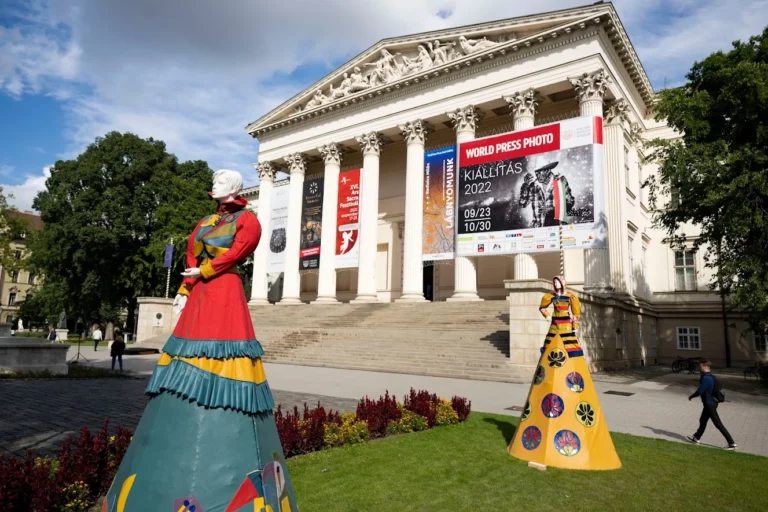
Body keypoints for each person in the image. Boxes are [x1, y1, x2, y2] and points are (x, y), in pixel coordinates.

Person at [102, 169, 298, 510]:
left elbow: (238, 253)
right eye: (215, 181)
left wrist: (205, 272)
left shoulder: (247, 220)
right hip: (200, 293)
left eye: (221, 181)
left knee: (225, 352)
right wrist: (185, 287)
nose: (215, 184)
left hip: (224, 292)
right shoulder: (206, 220)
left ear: (234, 188)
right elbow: (192, 253)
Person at [507, 276, 621, 470]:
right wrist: (546, 314)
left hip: (566, 327)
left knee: (570, 348)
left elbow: (576, 314)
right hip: (554, 327)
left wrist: (574, 326)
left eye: (559, 283)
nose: (557, 285)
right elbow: (543, 308)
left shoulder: (570, 297)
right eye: (555, 283)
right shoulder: (550, 297)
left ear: (564, 284)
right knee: (549, 349)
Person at [686, 360, 737, 450]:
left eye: (700, 367)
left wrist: (691, 396)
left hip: (710, 404)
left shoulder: (706, 378)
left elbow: (700, 391)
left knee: (718, 424)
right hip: (710, 403)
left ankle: (732, 443)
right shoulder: (711, 377)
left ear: (706, 367)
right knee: (702, 420)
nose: (699, 368)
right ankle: (696, 438)